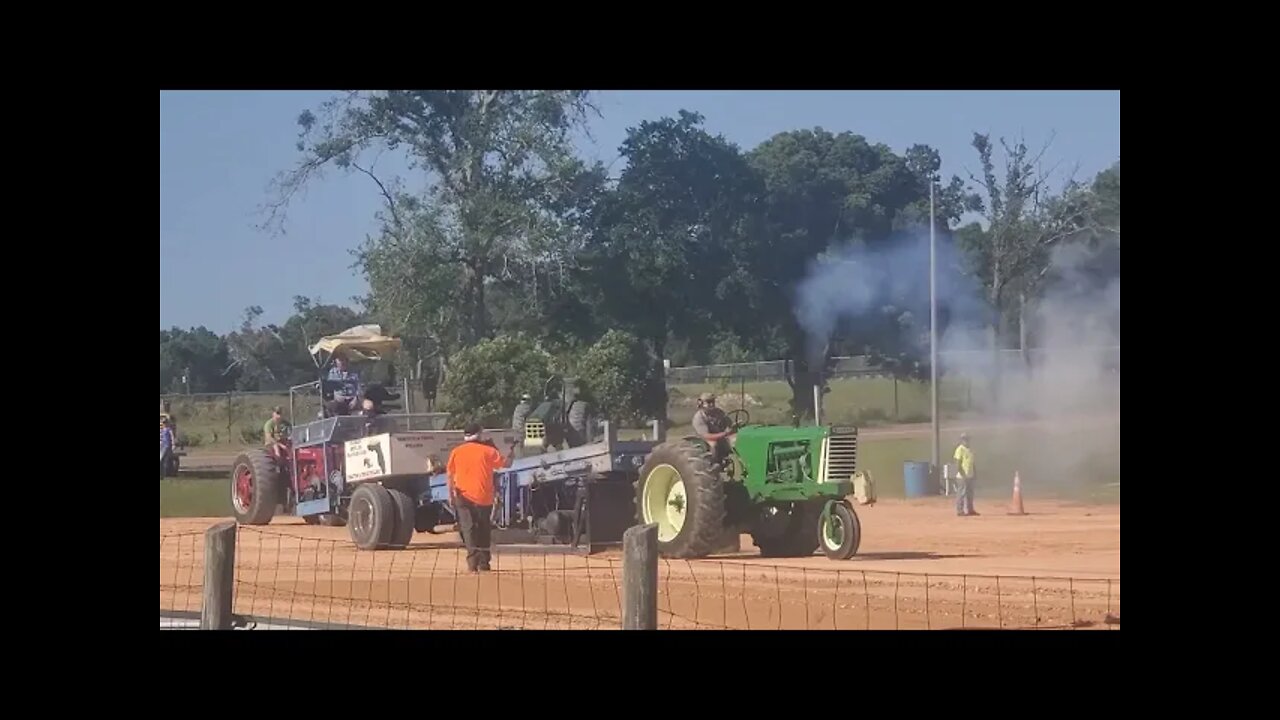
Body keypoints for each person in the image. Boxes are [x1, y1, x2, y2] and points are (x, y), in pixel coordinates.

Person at [445, 422, 512, 573]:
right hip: (483, 497)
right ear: (479, 433)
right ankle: (484, 563)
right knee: (483, 529)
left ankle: (472, 563)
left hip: (462, 496)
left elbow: (450, 474)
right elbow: (506, 464)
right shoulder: (488, 451)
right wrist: (511, 453)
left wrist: (450, 494)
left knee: (468, 529)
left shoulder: (456, 451)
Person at [691, 392, 735, 461]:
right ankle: (714, 463)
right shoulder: (699, 418)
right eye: (708, 402)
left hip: (720, 435)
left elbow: (729, 423)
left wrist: (732, 428)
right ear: (701, 403)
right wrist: (724, 434)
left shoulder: (719, 412)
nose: (712, 404)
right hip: (704, 439)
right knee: (714, 444)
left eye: (713, 401)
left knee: (735, 440)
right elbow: (706, 436)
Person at [953, 432, 978, 516]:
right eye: (964, 439)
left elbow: (972, 463)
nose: (966, 441)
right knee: (962, 493)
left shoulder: (970, 450)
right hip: (962, 476)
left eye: (967, 439)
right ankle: (960, 510)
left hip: (970, 475)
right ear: (962, 440)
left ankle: (970, 510)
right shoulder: (960, 449)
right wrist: (962, 474)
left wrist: (974, 472)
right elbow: (958, 463)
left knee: (970, 493)